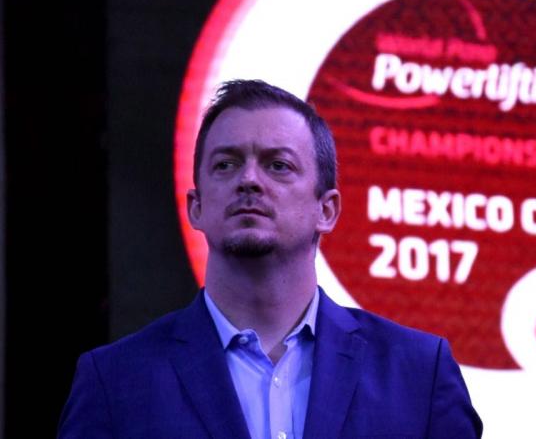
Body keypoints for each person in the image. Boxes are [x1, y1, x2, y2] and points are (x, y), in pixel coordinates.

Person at [58, 79, 483, 439]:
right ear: (196, 207)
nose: (248, 180)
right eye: (226, 165)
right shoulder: (114, 382)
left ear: (327, 210)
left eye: (278, 165)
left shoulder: (418, 375)